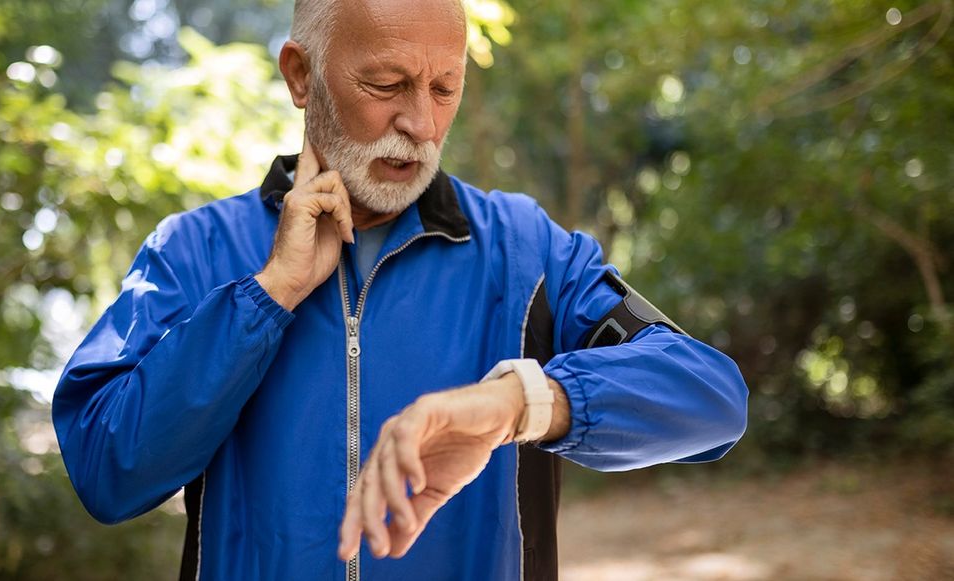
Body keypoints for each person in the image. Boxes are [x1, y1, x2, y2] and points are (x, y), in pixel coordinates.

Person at [52, 0, 749, 579]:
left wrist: (519, 400)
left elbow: (712, 396)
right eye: (386, 84)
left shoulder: (526, 248)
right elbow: (108, 470)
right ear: (302, 75)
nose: (420, 124)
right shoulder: (196, 250)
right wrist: (268, 296)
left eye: (444, 87)